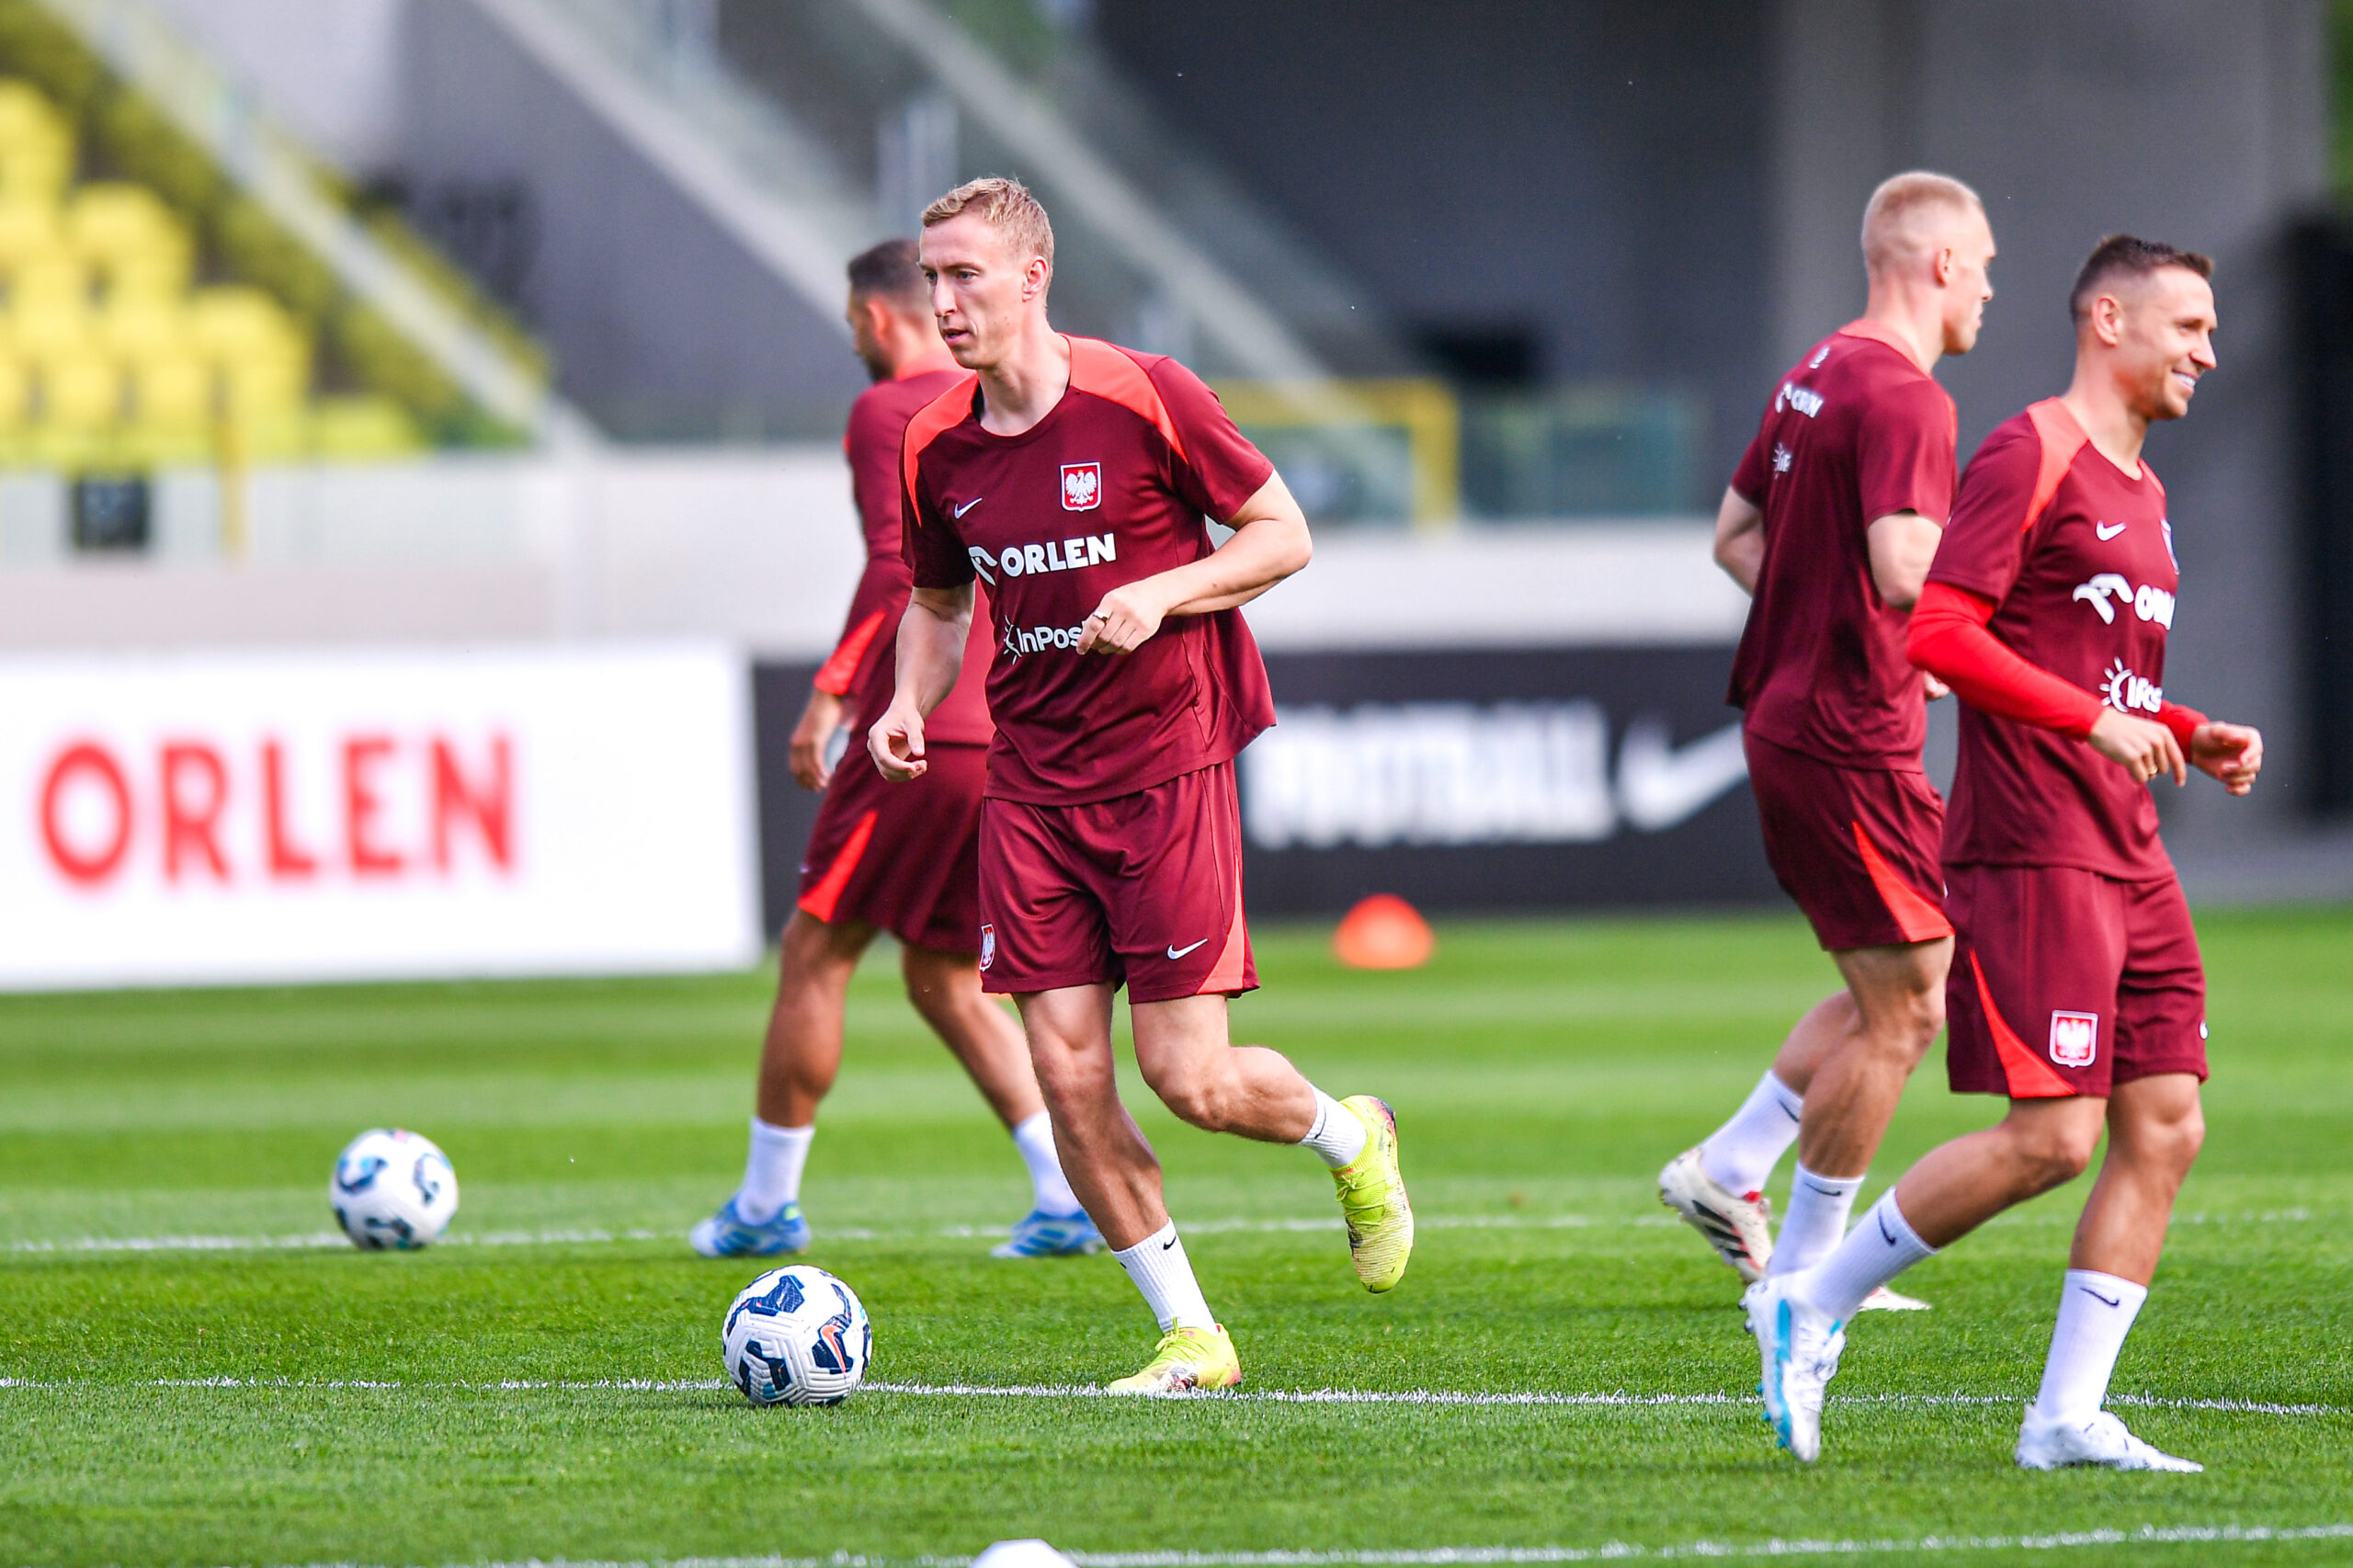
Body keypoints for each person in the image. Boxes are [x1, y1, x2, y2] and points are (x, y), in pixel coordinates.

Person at [870, 176, 1413, 1392]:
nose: (943, 300)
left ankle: (1352, 1133)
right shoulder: (933, 442)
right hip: (1031, 785)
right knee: (1067, 1074)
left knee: (1194, 1081)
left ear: (1030, 278)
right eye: (930, 276)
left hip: (1169, 767)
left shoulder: (1145, 394)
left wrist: (1163, 591)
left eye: (963, 274)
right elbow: (942, 599)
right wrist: (909, 698)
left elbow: (1282, 533)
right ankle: (1191, 1333)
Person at [1748, 235, 2261, 1470]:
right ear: (2106, 317)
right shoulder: (2030, 450)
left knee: (2168, 1121)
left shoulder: (2143, 493)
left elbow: (2105, 675)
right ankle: (1807, 1299)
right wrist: (2100, 721)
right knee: (2052, 1137)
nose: (2205, 349)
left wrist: (2186, 728)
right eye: (2186, 325)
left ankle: (2064, 1418)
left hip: (2127, 847)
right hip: (2035, 843)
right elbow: (1939, 630)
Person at [692, 238, 1100, 1262]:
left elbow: (896, 565)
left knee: (815, 948)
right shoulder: (999, 405)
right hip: (1004, 726)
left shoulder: (891, 409)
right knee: (943, 971)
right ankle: (1064, 1191)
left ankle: (763, 1203)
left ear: (877, 320)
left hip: (916, 727)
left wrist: (833, 695)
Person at [1659, 173, 1996, 1309]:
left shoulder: (1816, 370)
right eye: (1984, 264)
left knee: (1884, 982)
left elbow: (1733, 535)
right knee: (1910, 1001)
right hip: (1848, 738)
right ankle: (1804, 1274)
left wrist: (1832, 622)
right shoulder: (1905, 395)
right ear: (1940, 262)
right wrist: (1959, 650)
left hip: (1794, 718)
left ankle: (1731, 1167)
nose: (1991, 288)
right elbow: (1907, 569)